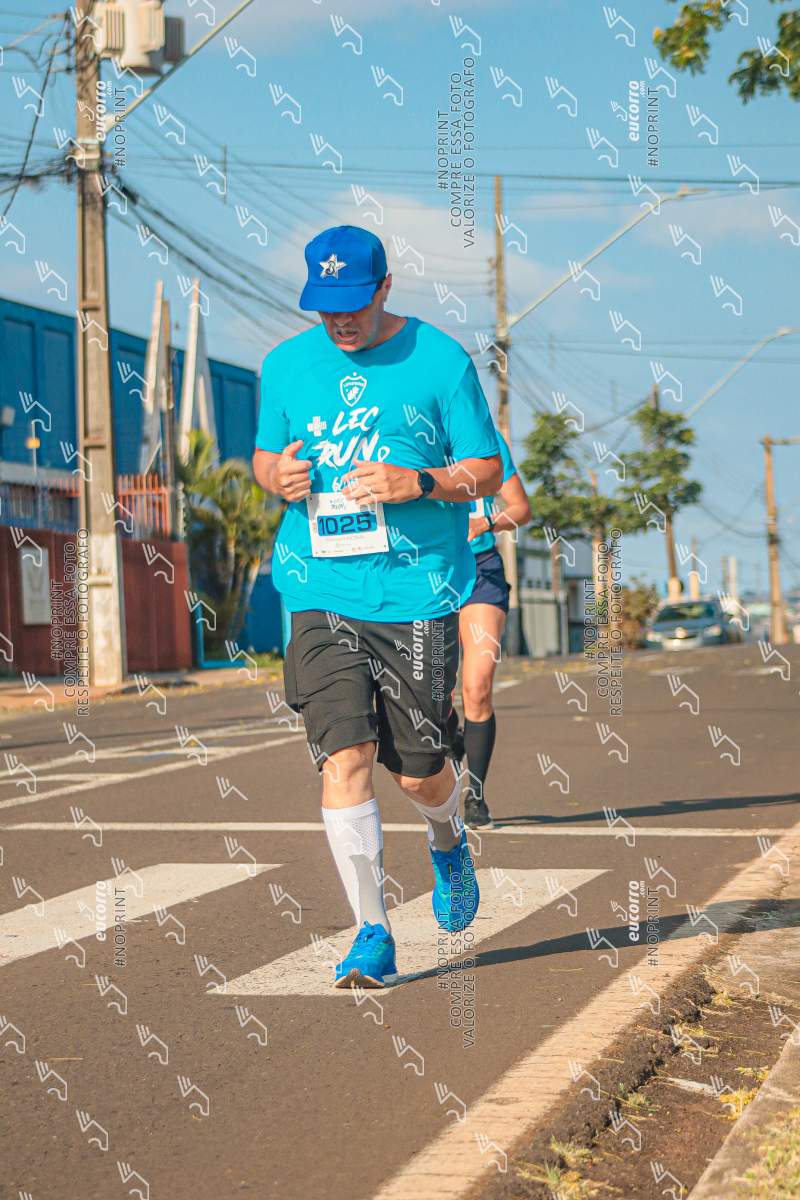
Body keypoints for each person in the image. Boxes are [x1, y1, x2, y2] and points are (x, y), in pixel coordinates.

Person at [252, 225, 502, 989]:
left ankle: (447, 837)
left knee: (420, 773)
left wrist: (418, 482)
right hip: (318, 589)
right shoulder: (286, 365)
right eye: (326, 307)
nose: (341, 320)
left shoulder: (440, 360)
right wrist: (276, 476)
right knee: (346, 756)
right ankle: (372, 932)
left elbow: (487, 470)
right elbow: (264, 456)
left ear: (385, 287)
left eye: (354, 304)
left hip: (416, 591)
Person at [454, 434, 531, 828]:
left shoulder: (485, 440)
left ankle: (476, 795)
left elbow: (521, 508)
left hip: (480, 569)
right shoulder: (405, 430)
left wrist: (486, 521)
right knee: (429, 692)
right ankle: (451, 741)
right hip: (419, 572)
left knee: (477, 685)